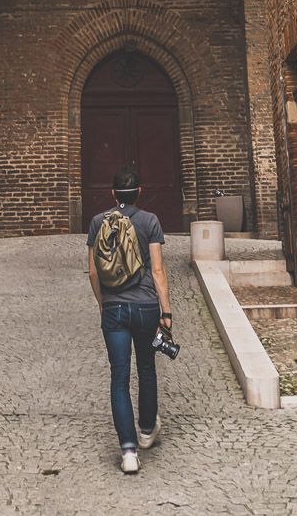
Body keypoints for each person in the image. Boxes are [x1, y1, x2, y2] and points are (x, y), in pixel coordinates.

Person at [87, 165, 173, 474]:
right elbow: (159, 271)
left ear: (112, 194)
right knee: (147, 368)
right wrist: (166, 310)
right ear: (139, 191)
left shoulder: (99, 222)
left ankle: (128, 451)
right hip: (147, 306)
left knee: (119, 378)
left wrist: (102, 303)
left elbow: (94, 271)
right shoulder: (150, 221)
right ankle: (148, 430)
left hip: (114, 309)